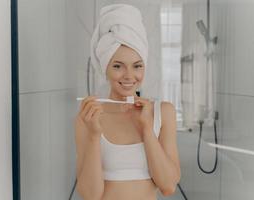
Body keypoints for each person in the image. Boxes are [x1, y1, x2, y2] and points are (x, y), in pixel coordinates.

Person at [74, 4, 180, 200]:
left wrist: (147, 130)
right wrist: (93, 135)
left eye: (137, 66)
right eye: (117, 66)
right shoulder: (88, 118)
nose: (129, 76)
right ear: (105, 68)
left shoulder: (163, 112)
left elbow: (168, 186)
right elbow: (90, 196)